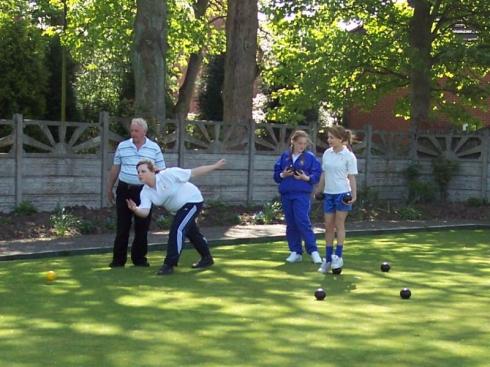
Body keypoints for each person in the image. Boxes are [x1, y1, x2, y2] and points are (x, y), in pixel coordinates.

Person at [126, 158, 226, 275]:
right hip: (178, 210)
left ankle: (169, 264)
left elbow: (193, 172)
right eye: (138, 172)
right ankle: (207, 258)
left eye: (143, 171)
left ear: (153, 171)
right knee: (192, 233)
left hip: (192, 201)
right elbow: (145, 212)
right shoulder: (145, 192)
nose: (140, 174)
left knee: (177, 229)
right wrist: (135, 209)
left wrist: (214, 166)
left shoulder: (168, 174)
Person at [107, 118, 165, 268]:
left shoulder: (154, 148)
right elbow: (115, 168)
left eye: (136, 131)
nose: (133, 133)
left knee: (142, 226)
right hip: (124, 189)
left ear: (144, 132)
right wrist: (109, 188)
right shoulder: (122, 146)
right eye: (132, 130)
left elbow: (161, 171)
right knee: (122, 226)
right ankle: (118, 260)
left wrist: (161, 191)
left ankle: (139, 259)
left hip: (144, 191)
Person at [273, 130, 323, 264]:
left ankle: (313, 251)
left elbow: (317, 174)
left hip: (301, 194)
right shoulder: (285, 156)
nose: (302, 146)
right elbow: (276, 175)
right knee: (291, 223)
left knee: (302, 221)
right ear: (293, 142)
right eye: (300, 143)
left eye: (304, 144)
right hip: (286, 193)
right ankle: (295, 252)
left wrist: (305, 177)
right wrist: (284, 174)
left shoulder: (310, 157)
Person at [316, 125, 357, 274]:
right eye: (328, 137)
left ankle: (338, 257)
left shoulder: (349, 156)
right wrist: (319, 189)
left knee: (339, 224)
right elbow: (323, 174)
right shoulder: (327, 153)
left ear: (341, 139)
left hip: (342, 194)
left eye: (332, 137)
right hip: (329, 194)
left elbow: (351, 177)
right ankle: (327, 259)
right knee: (328, 226)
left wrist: (354, 194)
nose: (329, 140)